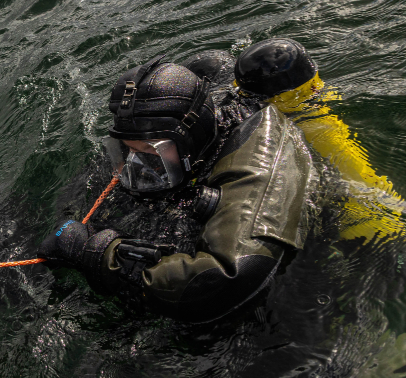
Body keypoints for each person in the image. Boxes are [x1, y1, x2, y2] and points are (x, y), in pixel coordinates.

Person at [38, 51, 317, 323]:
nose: (136, 162)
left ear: (190, 139)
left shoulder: (261, 156)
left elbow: (229, 277)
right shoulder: (171, 138)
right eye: (128, 148)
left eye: (150, 149)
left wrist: (102, 255)